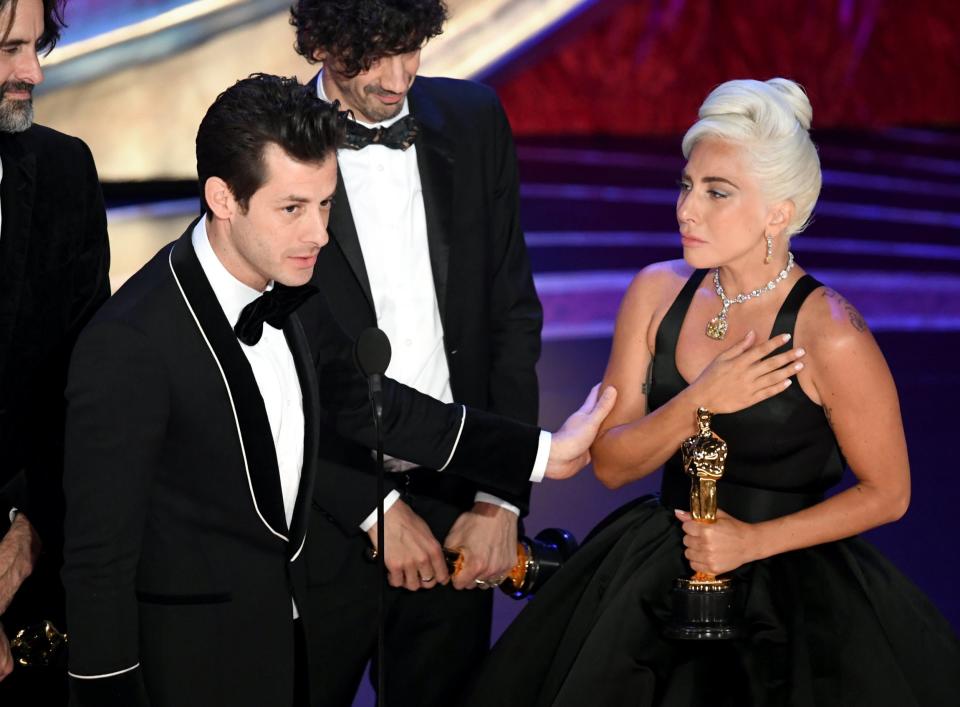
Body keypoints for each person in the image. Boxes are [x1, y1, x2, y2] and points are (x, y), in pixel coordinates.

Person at [61, 73, 613, 707]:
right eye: (292, 208)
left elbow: (379, 409)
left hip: (291, 648)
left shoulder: (296, 295)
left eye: (326, 205)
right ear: (222, 198)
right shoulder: (130, 342)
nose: (319, 233)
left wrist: (542, 453)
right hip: (188, 668)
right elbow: (98, 560)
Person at [461, 78, 960, 707]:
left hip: (793, 590)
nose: (686, 209)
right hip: (649, 573)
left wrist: (752, 542)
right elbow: (613, 466)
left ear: (778, 211)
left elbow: (889, 493)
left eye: (717, 192)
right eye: (686, 185)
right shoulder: (655, 291)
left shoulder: (829, 330)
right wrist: (701, 398)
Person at [289, 2, 543, 705]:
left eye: (413, 49)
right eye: (376, 53)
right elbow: (268, 369)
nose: (400, 77)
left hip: (458, 502)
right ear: (323, 38)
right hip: (323, 512)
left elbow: (512, 316)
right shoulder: (264, 138)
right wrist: (375, 510)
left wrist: (499, 496)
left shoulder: (474, 119)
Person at [0, 0, 110, 700]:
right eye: (10, 49)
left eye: (37, 46)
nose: (32, 72)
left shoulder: (65, 170)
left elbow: (86, 386)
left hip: (33, 586)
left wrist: (25, 530)